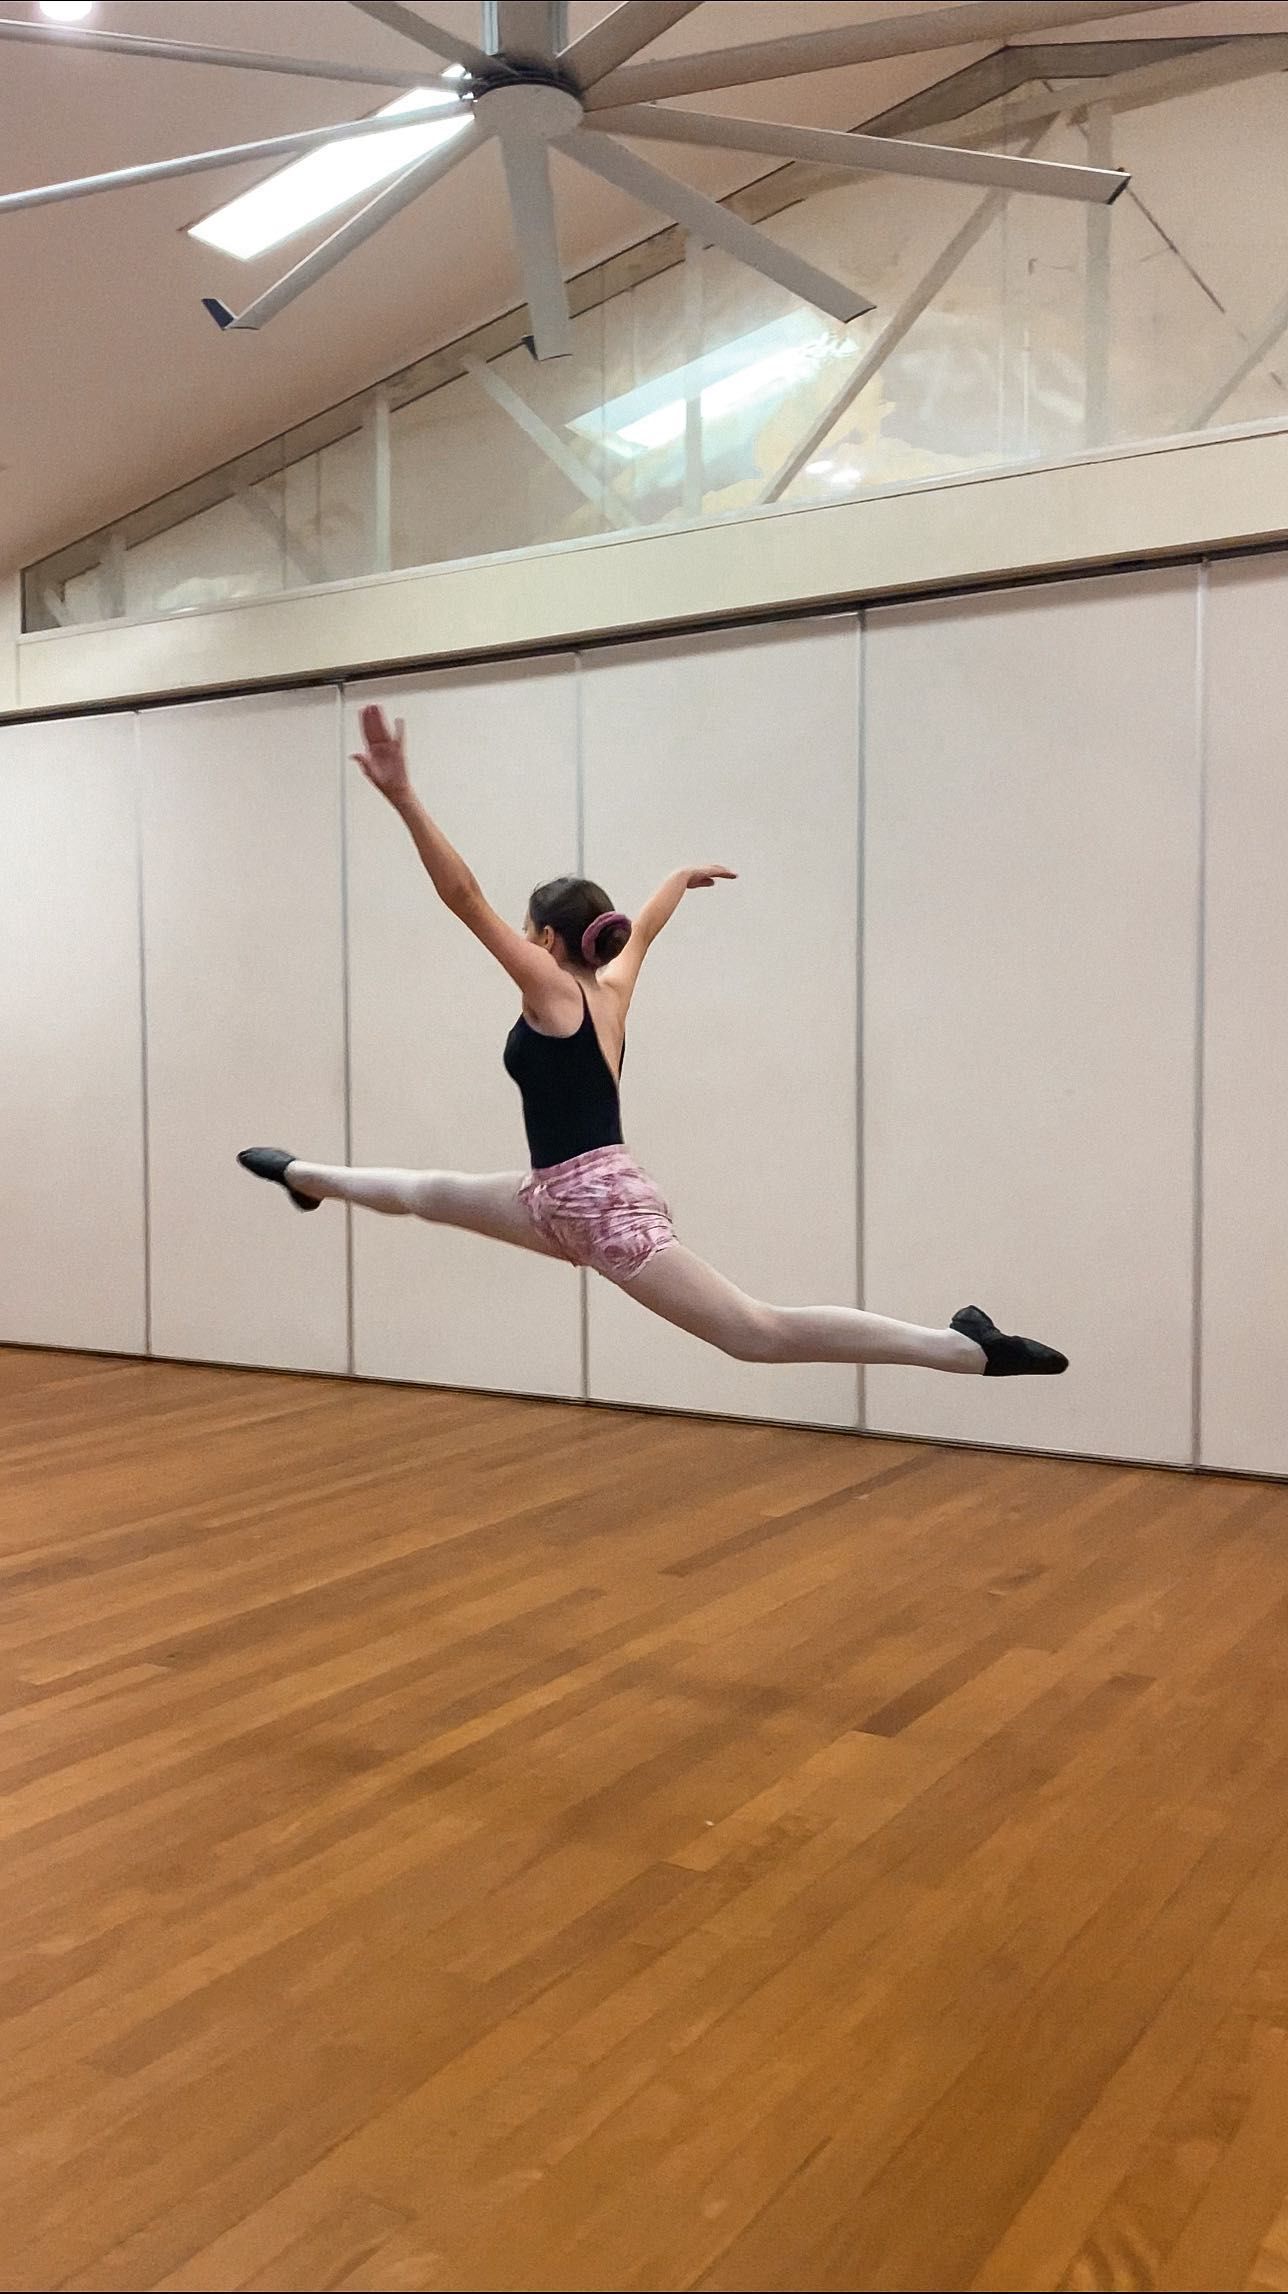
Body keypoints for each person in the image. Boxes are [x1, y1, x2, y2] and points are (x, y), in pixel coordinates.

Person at [239, 706, 1067, 1380]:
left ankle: (962, 1346)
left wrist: (404, 798)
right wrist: (676, 879)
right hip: (556, 1198)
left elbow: (463, 896)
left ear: (548, 940)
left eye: (529, 932)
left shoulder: (552, 991)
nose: (519, 940)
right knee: (427, 1192)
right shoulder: (610, 989)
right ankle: (302, 1175)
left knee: (755, 1334)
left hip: (600, 1211)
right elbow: (649, 927)